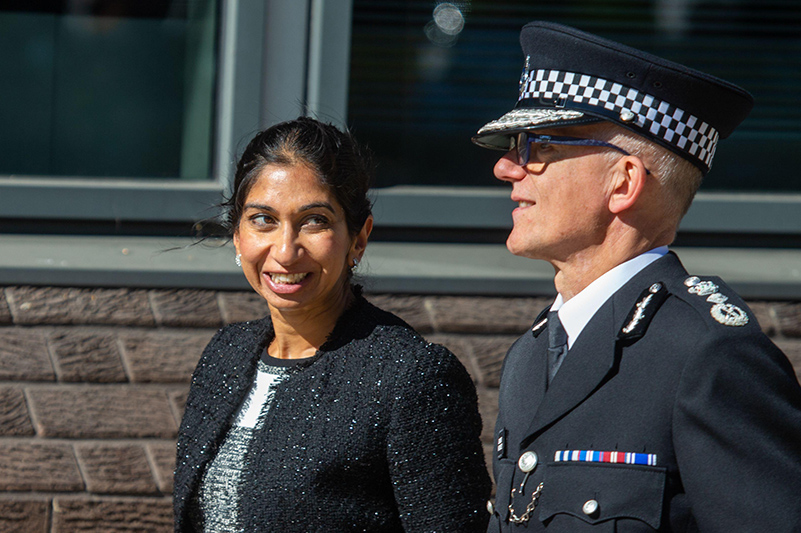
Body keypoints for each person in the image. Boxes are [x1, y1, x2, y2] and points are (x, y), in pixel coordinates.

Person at [472, 21, 801, 532]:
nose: (507, 169)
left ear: (623, 182)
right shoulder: (533, 353)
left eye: (539, 147)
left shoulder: (708, 356)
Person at [174, 117, 491, 532]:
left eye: (314, 221)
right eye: (263, 220)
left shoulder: (410, 377)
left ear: (358, 238)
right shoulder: (225, 355)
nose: (285, 252)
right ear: (237, 234)